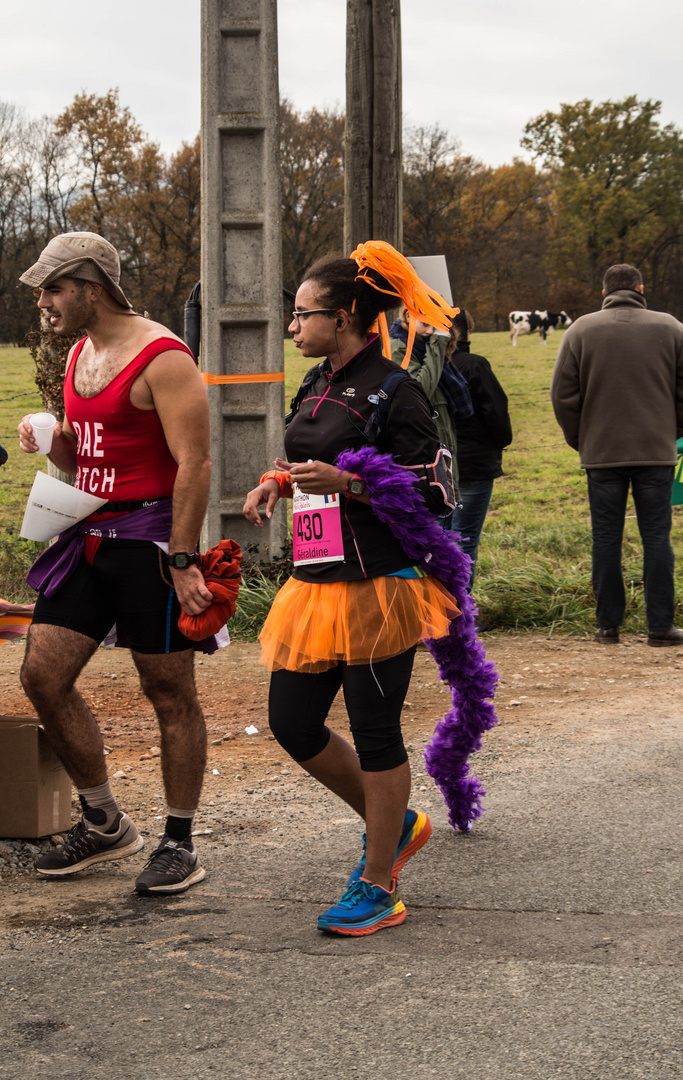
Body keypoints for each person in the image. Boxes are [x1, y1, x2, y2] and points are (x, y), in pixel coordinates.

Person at [243, 243, 462, 937]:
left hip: (377, 584)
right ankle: (391, 824)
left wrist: (352, 486)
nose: (291, 326)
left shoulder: (397, 391)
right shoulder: (315, 383)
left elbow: (436, 488)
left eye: (302, 315)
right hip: (314, 583)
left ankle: (378, 883)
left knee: (373, 731)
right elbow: (313, 461)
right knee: (292, 721)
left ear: (342, 319)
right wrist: (279, 482)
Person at [16, 231, 214, 894]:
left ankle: (179, 842)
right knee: (43, 674)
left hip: (151, 543)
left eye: (53, 288)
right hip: (87, 536)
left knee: (167, 692)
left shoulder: (162, 356)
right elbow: (85, 461)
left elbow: (195, 462)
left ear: (91, 288)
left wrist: (184, 559)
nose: (43, 300)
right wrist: (52, 440)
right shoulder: (78, 353)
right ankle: (104, 823)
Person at [551, 263, 683, 646]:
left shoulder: (580, 330)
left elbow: (562, 394)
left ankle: (608, 625)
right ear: (641, 288)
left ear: (605, 292)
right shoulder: (672, 328)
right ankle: (660, 626)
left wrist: (582, 438)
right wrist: (670, 431)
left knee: (605, 538)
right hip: (656, 451)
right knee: (657, 537)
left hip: (601, 451)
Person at [449, 310, 512, 590]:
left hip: (435, 469)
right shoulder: (475, 366)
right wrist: (499, 442)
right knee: (464, 540)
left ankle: (435, 615)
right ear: (467, 333)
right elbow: (496, 414)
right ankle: (461, 615)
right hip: (473, 465)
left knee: (439, 538)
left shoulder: (421, 368)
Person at [389, 309, 460, 523]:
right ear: (408, 316)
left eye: (435, 326)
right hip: (424, 460)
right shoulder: (400, 347)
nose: (430, 331)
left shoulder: (421, 345)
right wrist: (438, 344)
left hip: (440, 451)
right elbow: (420, 390)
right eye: (425, 324)